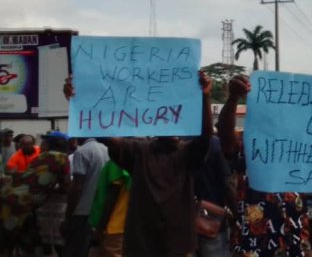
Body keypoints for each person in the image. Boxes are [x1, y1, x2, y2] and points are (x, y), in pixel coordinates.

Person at [63, 72, 213, 256]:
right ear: (155, 121)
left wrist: (205, 95)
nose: (173, 122)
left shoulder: (188, 154)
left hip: (179, 246)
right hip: (141, 246)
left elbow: (206, 137)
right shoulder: (138, 151)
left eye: (178, 118)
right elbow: (104, 134)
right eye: (167, 117)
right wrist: (77, 101)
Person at [217, 75, 312, 257]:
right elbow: (225, 136)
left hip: (294, 235)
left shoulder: (300, 143)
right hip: (255, 237)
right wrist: (233, 98)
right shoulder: (248, 142)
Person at [0, 131, 70, 253]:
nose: (41, 145)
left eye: (44, 142)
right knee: (10, 235)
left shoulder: (40, 156)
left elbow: (30, 176)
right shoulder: (62, 158)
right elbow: (66, 184)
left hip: (10, 195)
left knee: (8, 234)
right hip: (21, 200)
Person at [62, 136, 109, 257]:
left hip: (83, 210)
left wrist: (68, 215)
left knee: (75, 250)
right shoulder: (107, 150)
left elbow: (77, 186)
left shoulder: (82, 152)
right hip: (101, 209)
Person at [194, 135, 234, 257]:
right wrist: (237, 215)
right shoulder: (215, 144)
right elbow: (228, 184)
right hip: (212, 220)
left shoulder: (178, 144)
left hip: (184, 223)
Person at [88, 160, 131, 257]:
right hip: (127, 226)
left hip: (114, 227)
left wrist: (99, 229)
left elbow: (112, 197)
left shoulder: (117, 162)